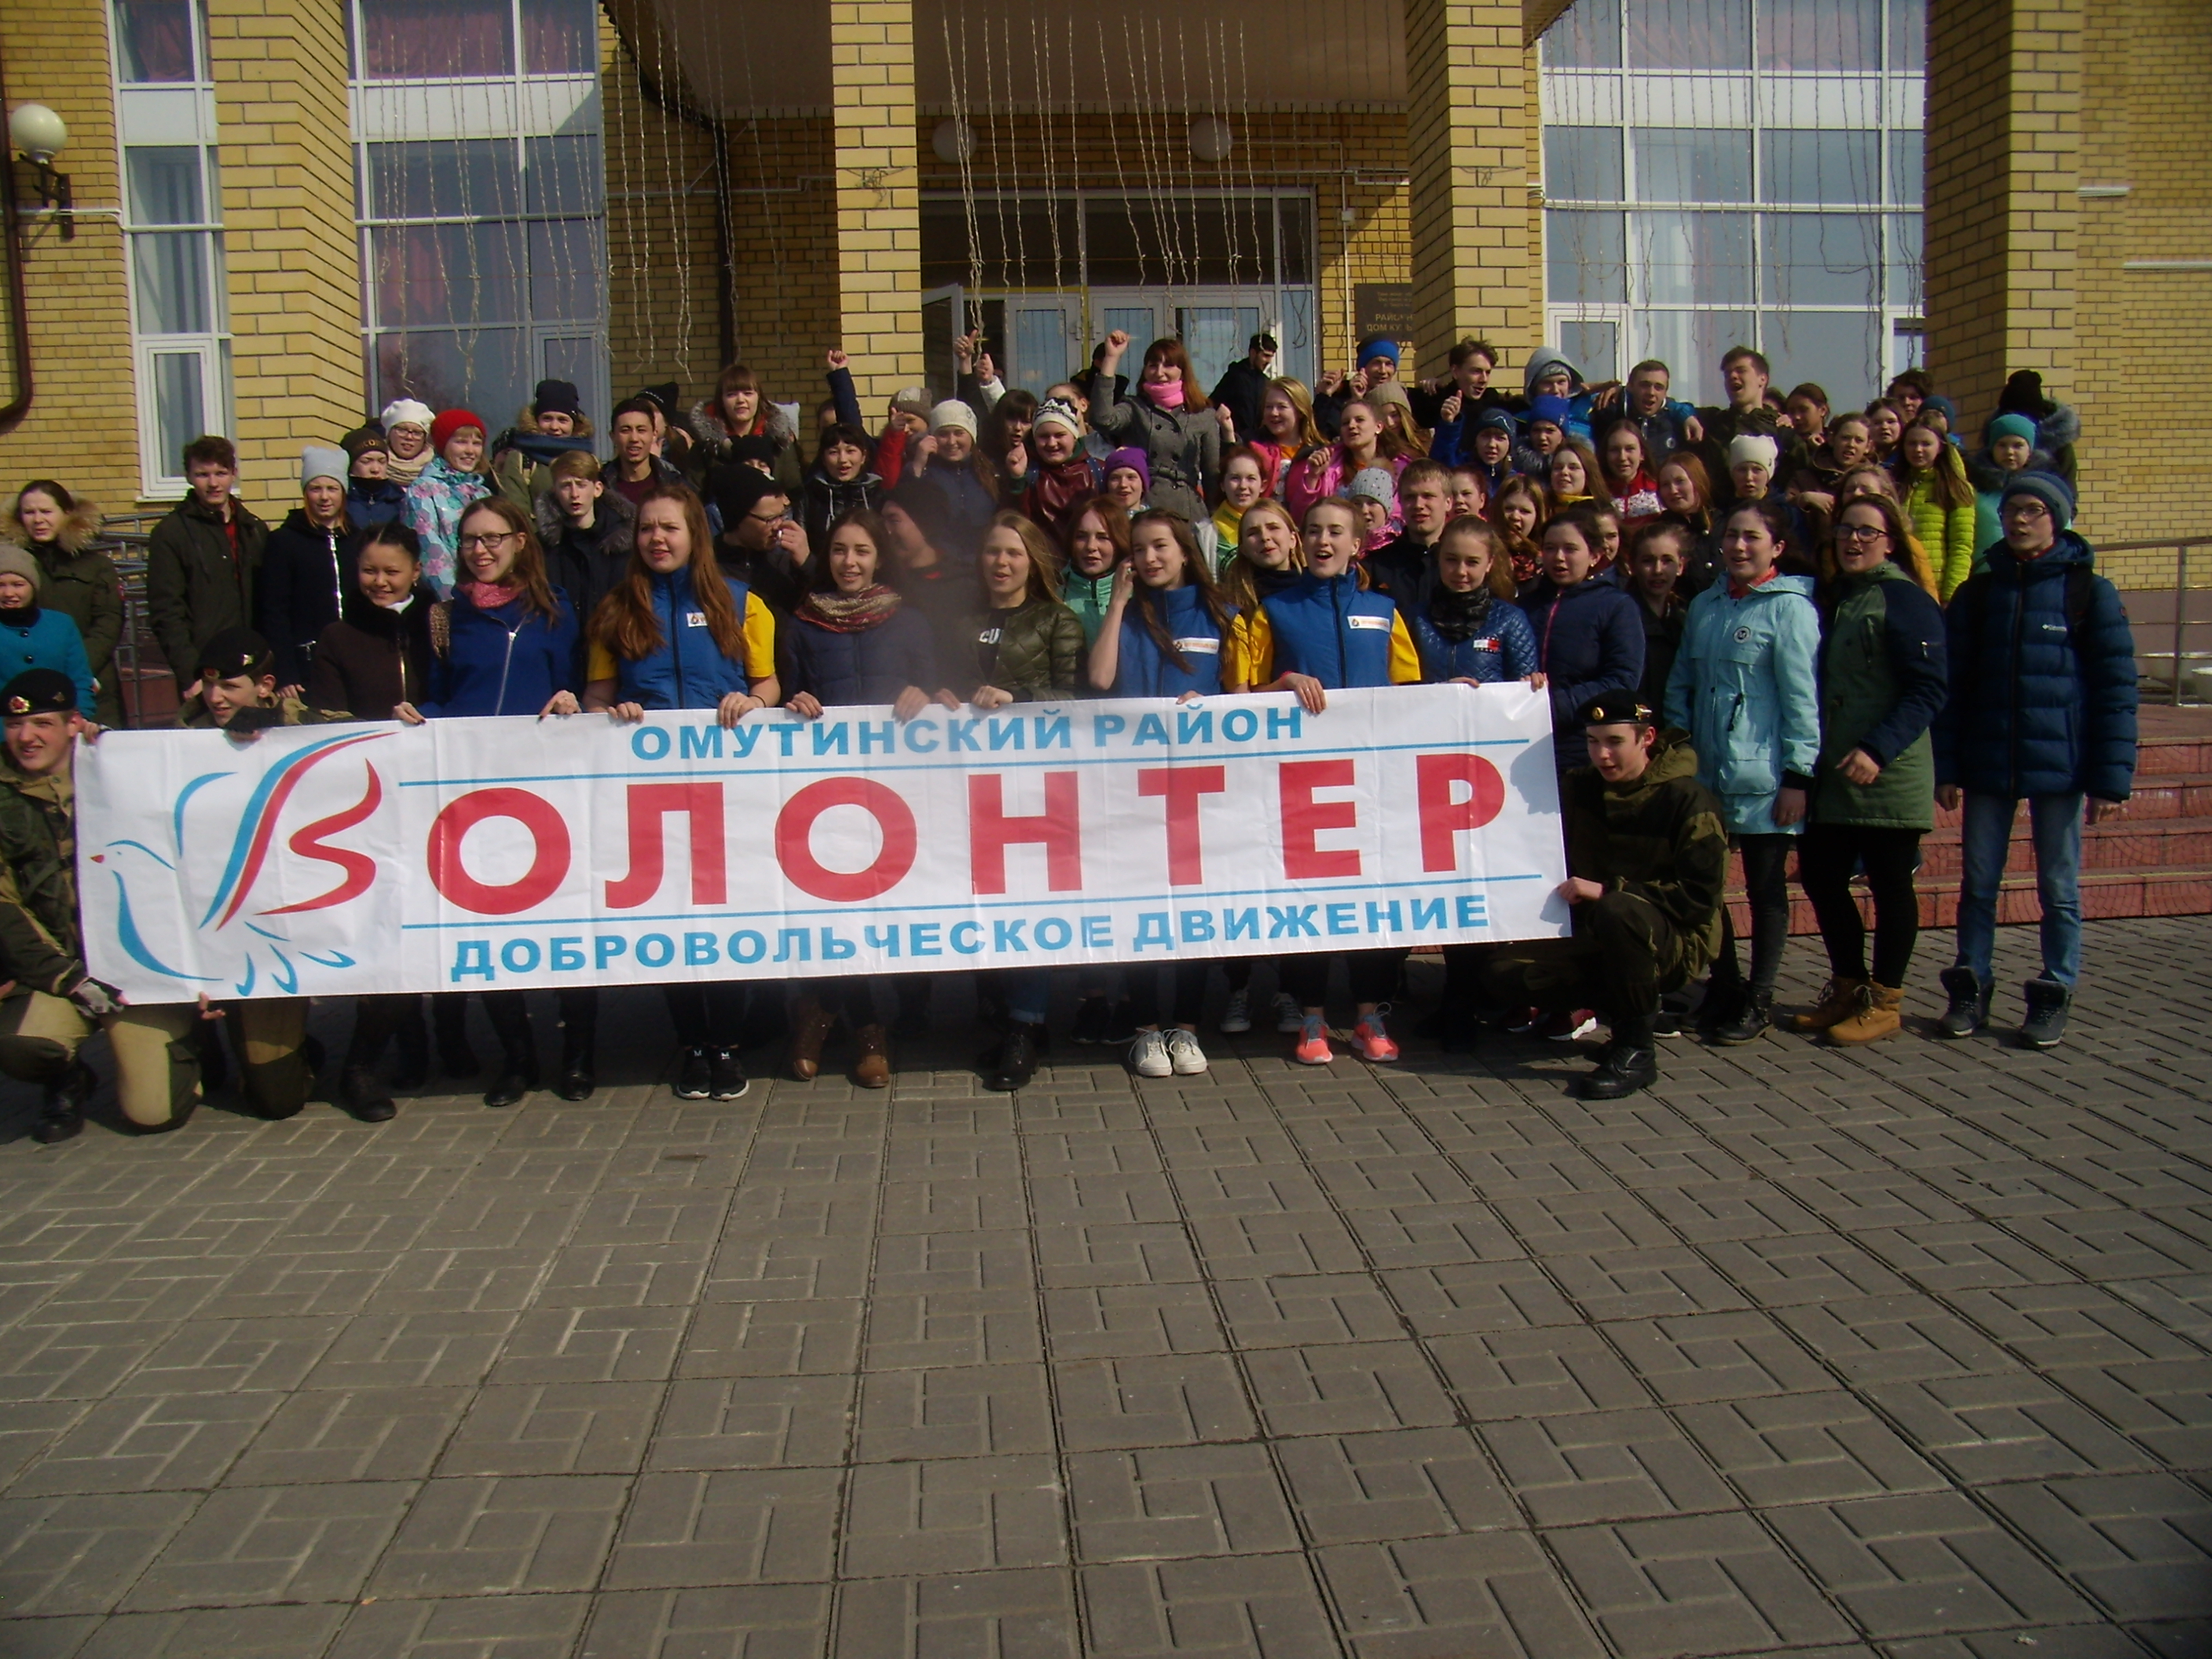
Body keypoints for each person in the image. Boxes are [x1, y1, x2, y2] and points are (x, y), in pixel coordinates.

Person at [584, 482, 780, 1098]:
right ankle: (692, 1044)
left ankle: (726, 1045)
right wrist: (610, 712)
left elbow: (768, 684)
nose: (657, 539)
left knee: (724, 920)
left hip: (727, 791)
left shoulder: (742, 602)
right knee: (672, 922)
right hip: (651, 794)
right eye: (647, 529)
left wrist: (753, 703)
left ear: (695, 534)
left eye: (669, 527)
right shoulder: (616, 610)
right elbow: (596, 696)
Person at [1932, 472, 2137, 1048]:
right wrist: (1947, 768)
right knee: (1978, 882)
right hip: (1988, 760)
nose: (2019, 520)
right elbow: (1953, 688)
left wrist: (2111, 781)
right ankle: (1971, 985)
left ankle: (2054, 989)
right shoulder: (1980, 593)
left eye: (2032, 510)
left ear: (2057, 518)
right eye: (2011, 511)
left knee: (2058, 887)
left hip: (2061, 765)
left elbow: (2116, 691)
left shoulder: (2088, 592)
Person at [1227, 496, 1420, 1068]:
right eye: (1313, 531)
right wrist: (1284, 682)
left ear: (1357, 544)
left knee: (1372, 902)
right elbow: (1239, 697)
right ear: (1299, 540)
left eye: (1336, 532)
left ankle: (1368, 1016)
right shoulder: (1273, 610)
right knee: (1308, 902)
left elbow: (1412, 691)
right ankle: (1311, 1017)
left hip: (1373, 782)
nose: (1323, 541)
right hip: (1299, 783)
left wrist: (1458, 698)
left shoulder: (1384, 610)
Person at [1479, 694, 1729, 1099]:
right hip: (1600, 933)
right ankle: (1626, 1007)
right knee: (1503, 972)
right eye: (1593, 742)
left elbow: (1699, 900)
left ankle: (1636, 1051)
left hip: (1675, 940)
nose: (1602, 754)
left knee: (1617, 910)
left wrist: (1609, 890)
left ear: (1647, 738)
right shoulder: (1583, 787)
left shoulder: (1687, 801)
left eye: (1615, 742)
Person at [0, 670, 205, 1141]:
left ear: (74, 723)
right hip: (60, 971)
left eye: (43, 724)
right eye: (14, 726)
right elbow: (4, 908)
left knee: (153, 1114)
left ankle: (190, 1047)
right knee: (20, 1045)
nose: (26, 737)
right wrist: (66, 978)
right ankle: (66, 1080)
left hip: (139, 969)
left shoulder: (119, 770)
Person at [782, 509, 939, 1089]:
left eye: (862, 551)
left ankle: (820, 1014)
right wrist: (793, 702)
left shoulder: (910, 621)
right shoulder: (800, 624)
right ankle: (866, 1027)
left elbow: (935, 684)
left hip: (897, 791)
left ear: (879, 559)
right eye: (840, 550)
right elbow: (785, 690)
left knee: (883, 910)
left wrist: (926, 693)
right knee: (833, 910)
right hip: (825, 793)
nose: (850, 562)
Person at [1087, 511, 1240, 1079]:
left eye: (1160, 546)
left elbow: (1241, 693)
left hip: (1200, 787)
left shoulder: (1222, 613)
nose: (1149, 558)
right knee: (1143, 909)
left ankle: (1188, 1028)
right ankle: (1147, 1029)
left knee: (1195, 912)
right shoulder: (1128, 615)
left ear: (1184, 551)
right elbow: (1100, 679)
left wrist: (1210, 707)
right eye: (1139, 549)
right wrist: (1118, 604)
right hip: (1135, 788)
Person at [1664, 498, 1821, 1045]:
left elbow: (1801, 699)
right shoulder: (1706, 605)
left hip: (1764, 779)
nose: (1738, 546)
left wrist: (1799, 776)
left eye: (1752, 537)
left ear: (1777, 547)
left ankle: (1760, 996)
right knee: (1706, 887)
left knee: (1764, 890)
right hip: (1707, 776)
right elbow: (1681, 683)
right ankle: (1725, 985)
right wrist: (1680, 752)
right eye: (1732, 535)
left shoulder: (1790, 610)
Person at [1793, 493, 1946, 1046]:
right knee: (1821, 877)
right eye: (1845, 531)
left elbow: (1929, 688)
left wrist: (1878, 749)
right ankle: (1848, 986)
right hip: (1837, 774)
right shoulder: (1842, 596)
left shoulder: (1905, 599)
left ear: (1891, 541)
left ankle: (1886, 1000)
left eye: (1866, 531)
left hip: (1888, 774)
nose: (1853, 540)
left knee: (1889, 885)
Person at [947, 513, 1084, 1093]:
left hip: (1035, 782)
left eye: (1013, 553)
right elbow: (949, 685)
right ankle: (1014, 1019)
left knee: (1027, 903)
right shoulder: (962, 620)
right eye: (992, 552)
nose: (1001, 563)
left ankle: (1025, 1027)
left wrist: (1019, 696)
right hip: (973, 781)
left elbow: (1075, 696)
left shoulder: (1057, 619)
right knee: (987, 903)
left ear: (1033, 561)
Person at [1517, 508, 1643, 783]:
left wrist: (1552, 705)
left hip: (1584, 749)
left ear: (1595, 555)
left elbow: (1621, 680)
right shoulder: (1524, 606)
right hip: (1522, 744)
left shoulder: (1616, 606)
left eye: (1570, 549)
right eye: (1550, 548)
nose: (1559, 557)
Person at [147, 434, 269, 694]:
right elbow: (166, 611)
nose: (213, 483)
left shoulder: (254, 529)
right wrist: (189, 674)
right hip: (205, 668)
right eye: (203, 474)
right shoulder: (171, 533)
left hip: (252, 663)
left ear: (234, 474)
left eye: (221, 473)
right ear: (189, 477)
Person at [5, 482, 123, 728]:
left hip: (91, 679)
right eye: (29, 512)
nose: (38, 520)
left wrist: (78, 667)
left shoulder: (95, 565)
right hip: (27, 683)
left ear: (67, 513)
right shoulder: (12, 566)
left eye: (46, 511)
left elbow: (108, 622)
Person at [306, 523, 436, 725]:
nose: (380, 581)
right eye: (369, 571)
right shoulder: (338, 638)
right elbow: (327, 715)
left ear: (415, 571)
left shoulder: (439, 628)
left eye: (391, 572)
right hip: (365, 744)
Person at [1087, 333, 1221, 524]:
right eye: (1153, 365)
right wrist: (1111, 358)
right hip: (1145, 509)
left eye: (1169, 365)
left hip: (1188, 511)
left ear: (1182, 370)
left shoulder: (1202, 414)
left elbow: (1211, 474)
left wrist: (1215, 519)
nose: (1159, 373)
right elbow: (1101, 419)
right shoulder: (1135, 407)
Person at [257, 446, 356, 693]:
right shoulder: (284, 542)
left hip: (355, 661)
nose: (324, 497)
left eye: (332, 488)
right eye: (315, 489)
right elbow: (274, 612)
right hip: (307, 666)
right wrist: (284, 671)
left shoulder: (359, 540)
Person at [535, 449, 635, 688]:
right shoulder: (544, 546)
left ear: (597, 488)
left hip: (614, 657)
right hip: (562, 659)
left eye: (581, 485)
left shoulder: (624, 543)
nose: (574, 494)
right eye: (565, 486)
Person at [399, 409, 490, 598]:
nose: (470, 451)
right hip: (448, 599)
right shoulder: (424, 490)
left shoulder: (483, 493)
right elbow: (430, 551)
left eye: (476, 443)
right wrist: (456, 599)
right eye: (461, 442)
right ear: (443, 445)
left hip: (487, 596)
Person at [0, 544, 95, 719]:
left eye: (18, 585)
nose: (8, 593)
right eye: (0, 585)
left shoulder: (62, 624)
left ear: (33, 587)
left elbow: (80, 680)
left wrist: (79, 719)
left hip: (58, 727)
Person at [687, 362, 803, 495]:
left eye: (748, 393)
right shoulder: (707, 446)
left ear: (759, 397)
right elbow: (693, 495)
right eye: (731, 394)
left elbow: (795, 493)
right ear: (721, 401)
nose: (741, 400)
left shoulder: (779, 442)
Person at [1287, 396, 1405, 526]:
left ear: (1378, 426)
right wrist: (1313, 477)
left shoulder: (1401, 466)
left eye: (1359, 420)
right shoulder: (1327, 465)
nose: (1351, 426)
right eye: (1345, 423)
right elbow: (1301, 518)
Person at [1895, 420, 1978, 600]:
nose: (1918, 450)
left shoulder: (1955, 487)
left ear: (1940, 447)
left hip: (1935, 588)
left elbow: (1961, 546)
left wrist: (1951, 595)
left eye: (1926, 444)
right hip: (1897, 582)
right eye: (1912, 443)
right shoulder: (1894, 484)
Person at [908, 400, 1000, 559]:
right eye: (943, 434)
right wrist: (918, 463)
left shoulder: (989, 471)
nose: (951, 442)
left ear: (972, 436)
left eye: (959, 433)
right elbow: (906, 506)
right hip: (941, 562)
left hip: (982, 560)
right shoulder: (925, 471)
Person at [491, 378, 595, 510]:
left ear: (574, 425)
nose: (554, 427)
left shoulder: (589, 459)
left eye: (562, 420)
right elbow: (516, 511)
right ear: (536, 420)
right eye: (547, 419)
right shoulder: (521, 459)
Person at [1365, 457, 1455, 606]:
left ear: (1448, 502)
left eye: (1428, 496)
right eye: (1410, 497)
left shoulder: (1462, 564)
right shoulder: (1376, 567)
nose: (1418, 505)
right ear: (1400, 502)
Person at [1625, 519, 1690, 709]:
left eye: (1667, 560)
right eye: (1648, 561)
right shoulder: (1621, 618)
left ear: (1680, 566)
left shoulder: (1684, 620)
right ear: (1633, 565)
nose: (1658, 570)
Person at [1021, 396, 1100, 543]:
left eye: (1059, 435)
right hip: (1045, 555)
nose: (1052, 443)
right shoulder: (1027, 473)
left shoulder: (1098, 471)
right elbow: (1017, 521)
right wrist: (1016, 480)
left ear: (1074, 436)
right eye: (1044, 436)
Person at [798, 423, 882, 556]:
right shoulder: (809, 496)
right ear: (823, 459)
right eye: (834, 452)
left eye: (850, 451)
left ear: (863, 457)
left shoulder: (878, 494)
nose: (843, 459)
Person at [1967, 411, 2040, 564]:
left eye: (2018, 445)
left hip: (2033, 570)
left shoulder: (2044, 489)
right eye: (2002, 445)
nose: (2009, 452)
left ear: (2030, 450)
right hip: (1985, 570)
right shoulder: (1975, 487)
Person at [1060, 494, 1129, 646]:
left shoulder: (1137, 594)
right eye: (1081, 537)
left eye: (1103, 537)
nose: (1091, 546)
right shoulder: (1053, 593)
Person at [1655, 453, 1723, 595]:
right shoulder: (1659, 531)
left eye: (1680, 481)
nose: (1673, 491)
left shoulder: (1724, 523)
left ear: (1697, 481)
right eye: (1666, 485)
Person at [606, 397, 687, 509]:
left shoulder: (675, 485)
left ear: (654, 435)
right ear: (613, 436)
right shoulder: (600, 486)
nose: (634, 438)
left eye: (641, 430)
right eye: (625, 430)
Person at [1250, 377, 1326, 496]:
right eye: (1268, 407)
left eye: (1282, 407)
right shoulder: (1253, 447)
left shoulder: (1320, 452)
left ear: (1300, 411)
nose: (1274, 413)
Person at [1209, 331, 1277, 446]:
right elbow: (1213, 403)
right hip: (1237, 441)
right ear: (1253, 353)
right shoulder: (1235, 376)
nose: (1268, 362)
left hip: (1260, 443)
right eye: (1265, 356)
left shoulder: (1266, 383)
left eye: (1271, 357)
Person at [1211, 446, 1270, 569]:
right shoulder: (1206, 534)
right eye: (1235, 478)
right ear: (1222, 485)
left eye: (1251, 478)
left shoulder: (1276, 524)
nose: (1243, 486)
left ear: (1263, 485)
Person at [1598, 422, 1663, 532]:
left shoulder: (1659, 493)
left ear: (1642, 454)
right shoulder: (1596, 494)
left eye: (1629, 449)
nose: (1622, 457)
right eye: (1614, 450)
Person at [1489, 474, 1549, 590]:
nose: (1515, 516)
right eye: (1508, 508)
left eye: (1524, 511)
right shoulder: (1483, 555)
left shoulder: (1547, 563)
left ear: (1537, 517)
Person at [342, 427, 407, 528]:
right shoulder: (341, 501)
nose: (376, 469)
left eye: (382, 461)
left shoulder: (400, 501)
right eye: (366, 461)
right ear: (350, 465)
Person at [380, 398, 435, 485]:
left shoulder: (437, 470)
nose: (409, 437)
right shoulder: (373, 467)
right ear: (389, 434)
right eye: (402, 430)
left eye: (417, 433)